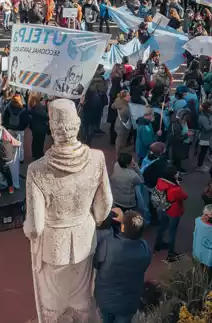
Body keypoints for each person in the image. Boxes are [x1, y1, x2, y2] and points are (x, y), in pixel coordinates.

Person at [23, 98, 112, 323]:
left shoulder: (36, 170)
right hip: (85, 237)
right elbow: (105, 205)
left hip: (53, 245)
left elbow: (35, 227)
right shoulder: (97, 158)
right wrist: (92, 220)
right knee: (82, 300)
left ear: (52, 128)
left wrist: (27, 229)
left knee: (53, 305)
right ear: (77, 124)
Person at [93, 209, 152, 323]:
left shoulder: (108, 244)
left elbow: (96, 263)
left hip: (106, 298)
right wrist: (128, 223)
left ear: (123, 227)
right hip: (129, 303)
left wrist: (124, 221)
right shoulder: (145, 249)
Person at [153, 166, 188, 261]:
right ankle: (171, 253)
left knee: (162, 226)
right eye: (176, 173)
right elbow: (184, 196)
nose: (178, 174)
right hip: (173, 212)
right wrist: (178, 185)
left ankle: (158, 244)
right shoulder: (175, 189)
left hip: (162, 208)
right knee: (172, 232)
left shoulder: (160, 181)